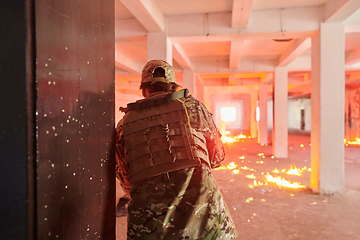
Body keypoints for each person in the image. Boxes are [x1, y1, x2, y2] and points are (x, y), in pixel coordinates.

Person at [115, 59, 238, 239]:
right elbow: (217, 157)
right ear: (173, 86)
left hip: (150, 226)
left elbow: (126, 180)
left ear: (143, 89)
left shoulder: (124, 124)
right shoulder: (193, 107)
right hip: (205, 221)